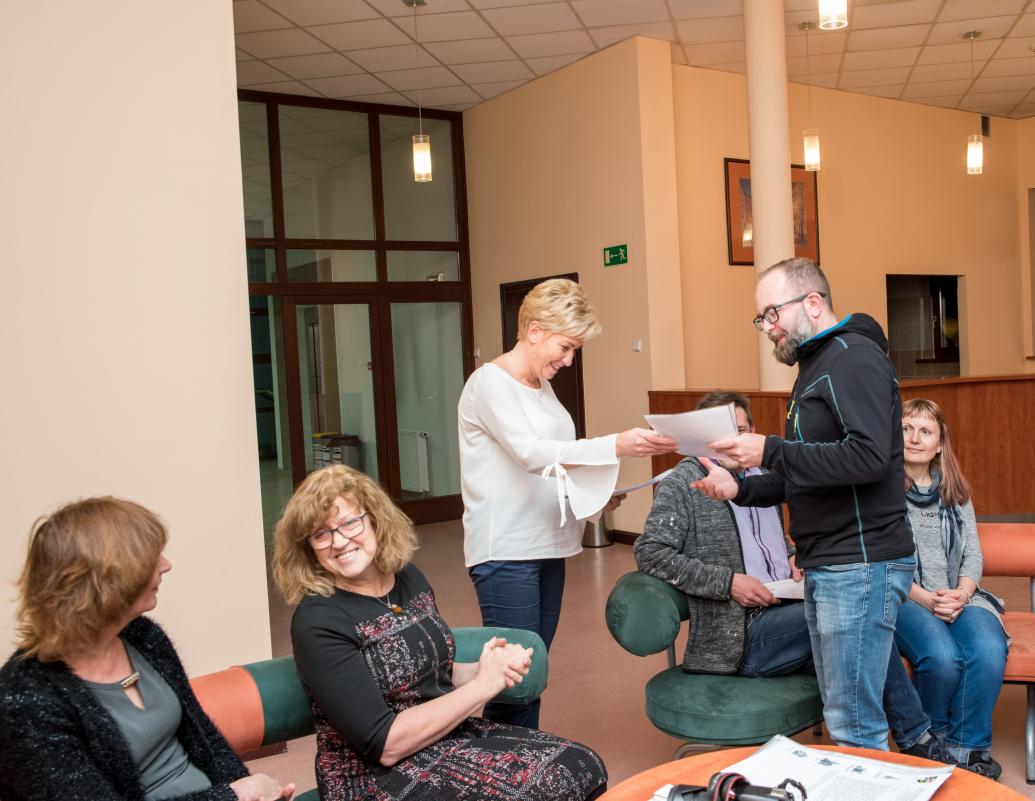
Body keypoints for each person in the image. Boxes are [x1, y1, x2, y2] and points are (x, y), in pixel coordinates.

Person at [638, 390, 949, 761]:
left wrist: (791, 555)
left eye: (739, 431)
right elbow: (650, 553)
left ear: (752, 431)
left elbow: (764, 540)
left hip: (785, 606)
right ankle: (918, 740)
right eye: (716, 433)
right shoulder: (684, 482)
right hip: (741, 635)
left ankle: (917, 738)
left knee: (862, 620)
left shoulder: (763, 476)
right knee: (854, 614)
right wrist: (729, 582)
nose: (729, 441)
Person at [273, 464, 607, 801]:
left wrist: (486, 668)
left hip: (442, 740)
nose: (339, 541)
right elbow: (385, 744)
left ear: (374, 519)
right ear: (308, 548)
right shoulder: (318, 621)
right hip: (372, 777)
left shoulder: (407, 577)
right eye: (321, 534)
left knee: (581, 764)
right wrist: (482, 685)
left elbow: (434, 674)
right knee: (539, 791)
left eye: (349, 523)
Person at [692, 257, 916, 752]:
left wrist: (770, 450)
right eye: (761, 318)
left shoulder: (852, 359)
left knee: (855, 724)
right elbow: (807, 469)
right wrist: (740, 488)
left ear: (812, 302)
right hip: (829, 562)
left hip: (859, 562)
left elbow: (868, 458)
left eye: (772, 313)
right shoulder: (815, 366)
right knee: (844, 714)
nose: (768, 328)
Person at [457, 277, 674, 729]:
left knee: (532, 673)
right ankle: (503, 765)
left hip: (548, 544)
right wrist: (615, 444)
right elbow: (531, 453)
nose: (569, 360)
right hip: (507, 549)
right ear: (534, 331)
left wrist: (594, 499)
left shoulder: (541, 385)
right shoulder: (489, 384)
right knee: (513, 679)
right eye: (566, 347)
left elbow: (554, 465)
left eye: (575, 350)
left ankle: (524, 760)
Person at [0, 497, 294, 801]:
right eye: (150, 558)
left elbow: (205, 738)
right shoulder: (25, 700)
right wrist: (233, 796)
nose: (166, 565)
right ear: (105, 580)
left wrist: (253, 792)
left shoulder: (143, 636)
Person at [895, 399, 1007, 780]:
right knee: (942, 657)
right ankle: (934, 744)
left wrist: (962, 593)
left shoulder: (956, 491)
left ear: (940, 443)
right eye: (907, 428)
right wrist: (926, 598)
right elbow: (882, 562)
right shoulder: (882, 492)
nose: (914, 438)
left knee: (988, 648)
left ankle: (967, 747)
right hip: (905, 596)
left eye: (925, 431)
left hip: (958, 595)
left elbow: (973, 554)